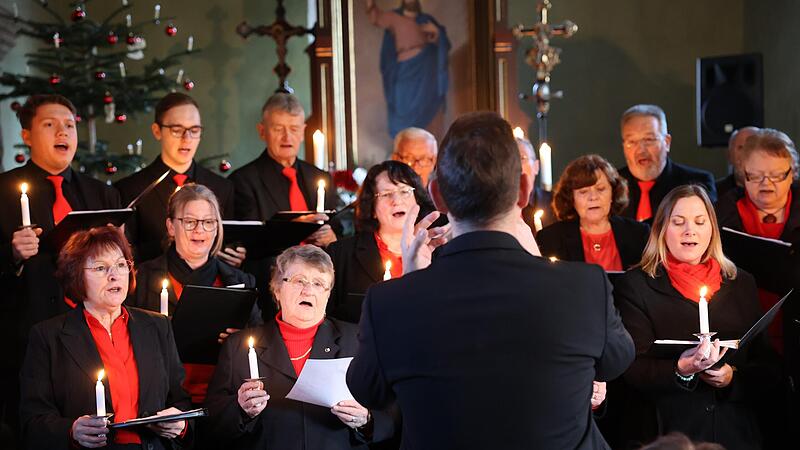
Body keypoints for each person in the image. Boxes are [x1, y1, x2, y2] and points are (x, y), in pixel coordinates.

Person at [346, 111, 635, 449]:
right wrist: (539, 262)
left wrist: (411, 284)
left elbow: (368, 389)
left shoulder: (390, 302)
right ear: (524, 191)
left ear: (437, 195)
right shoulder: (584, 286)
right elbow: (617, 360)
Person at [614, 185, 780, 450]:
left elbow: (766, 366)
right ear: (661, 230)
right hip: (668, 432)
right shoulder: (636, 285)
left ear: (711, 229)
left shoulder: (741, 282)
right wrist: (680, 369)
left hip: (734, 432)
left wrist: (731, 379)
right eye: (678, 222)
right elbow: (630, 368)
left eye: (700, 222)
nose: (689, 230)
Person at [0, 95, 121, 445]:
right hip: (24, 337)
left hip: (92, 337)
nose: (62, 131)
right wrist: (12, 254)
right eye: (49, 124)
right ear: (26, 135)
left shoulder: (102, 195)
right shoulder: (3, 192)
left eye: (69, 125)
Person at [204, 245, 395, 449]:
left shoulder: (358, 341)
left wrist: (366, 420)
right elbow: (213, 423)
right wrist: (241, 410)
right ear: (277, 288)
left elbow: (391, 415)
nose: (308, 290)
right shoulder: (238, 347)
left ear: (328, 294)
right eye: (299, 281)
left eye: (318, 283)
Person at [19, 226, 191, 450]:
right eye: (101, 267)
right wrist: (71, 431)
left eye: (121, 265)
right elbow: (32, 422)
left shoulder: (158, 326)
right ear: (77, 276)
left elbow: (180, 401)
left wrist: (182, 425)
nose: (115, 275)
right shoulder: (47, 336)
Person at [129, 183, 260, 405]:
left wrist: (237, 341)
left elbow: (260, 343)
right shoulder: (141, 278)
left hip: (224, 399)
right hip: (161, 400)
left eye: (208, 222)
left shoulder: (240, 281)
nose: (199, 230)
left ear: (217, 227)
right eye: (189, 221)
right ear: (171, 226)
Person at [228, 93, 340, 319]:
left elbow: (340, 229)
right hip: (271, 286)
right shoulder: (244, 180)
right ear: (262, 131)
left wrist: (332, 236)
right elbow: (249, 242)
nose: (287, 136)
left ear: (303, 130)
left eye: (294, 128)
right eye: (278, 128)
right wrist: (294, 229)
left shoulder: (320, 178)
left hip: (320, 286)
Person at [115, 92, 237, 265]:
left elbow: (227, 244)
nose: (187, 138)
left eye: (194, 130)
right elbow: (127, 253)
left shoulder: (222, 188)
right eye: (177, 130)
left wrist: (234, 255)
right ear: (157, 131)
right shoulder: (130, 189)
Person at [327, 160, 436, 323]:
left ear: (417, 200)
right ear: (372, 208)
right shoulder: (341, 255)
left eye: (405, 191)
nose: (397, 201)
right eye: (386, 194)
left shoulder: (439, 252)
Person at [537, 154, 649, 271]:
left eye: (600, 189)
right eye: (583, 192)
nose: (593, 197)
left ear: (613, 193)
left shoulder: (639, 234)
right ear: (571, 198)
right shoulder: (550, 238)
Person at [618, 104, 716, 222]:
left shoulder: (696, 183)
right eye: (632, 141)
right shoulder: (613, 185)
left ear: (667, 142)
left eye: (649, 139)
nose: (641, 150)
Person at [366, 0, 451, 137]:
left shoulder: (426, 20)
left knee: (429, 113)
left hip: (426, 74)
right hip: (405, 70)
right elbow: (375, 17)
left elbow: (443, 44)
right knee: (401, 107)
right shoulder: (393, 18)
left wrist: (436, 32)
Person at [517, 136, 556, 233]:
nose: (516, 164)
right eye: (510, 159)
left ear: (536, 166)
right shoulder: (496, 208)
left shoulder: (554, 203)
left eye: (522, 158)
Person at [715, 126, 759, 199]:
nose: (746, 153)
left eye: (752, 147)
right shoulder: (714, 192)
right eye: (741, 147)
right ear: (729, 155)